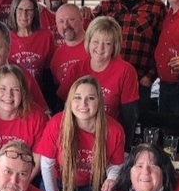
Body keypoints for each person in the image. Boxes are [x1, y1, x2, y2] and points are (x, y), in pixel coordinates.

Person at [91, 0, 166, 109]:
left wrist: (150, 76)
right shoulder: (106, 7)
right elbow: (87, 35)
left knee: (135, 126)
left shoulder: (157, 7)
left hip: (140, 82)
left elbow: (164, 45)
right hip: (108, 80)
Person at [58, 16, 139, 149]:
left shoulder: (125, 71)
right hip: (76, 138)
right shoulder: (76, 69)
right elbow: (62, 108)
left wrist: (125, 149)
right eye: (95, 41)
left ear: (114, 46)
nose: (100, 48)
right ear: (88, 41)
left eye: (107, 43)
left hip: (109, 138)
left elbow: (130, 116)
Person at [0, 64, 46, 178]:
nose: (8, 95)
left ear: (23, 93)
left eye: (15, 89)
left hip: (25, 176)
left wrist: (23, 182)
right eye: (2, 88)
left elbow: (37, 158)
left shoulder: (37, 116)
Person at [7, 0, 54, 83]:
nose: (24, 15)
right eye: (20, 9)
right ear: (14, 12)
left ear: (34, 13)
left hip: (38, 92)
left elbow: (50, 72)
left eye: (29, 10)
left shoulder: (46, 37)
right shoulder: (5, 37)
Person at [49, 4, 87, 87]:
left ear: (82, 20)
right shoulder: (57, 56)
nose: (66, 25)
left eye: (71, 20)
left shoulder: (96, 48)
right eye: (61, 21)